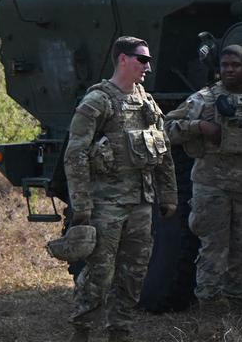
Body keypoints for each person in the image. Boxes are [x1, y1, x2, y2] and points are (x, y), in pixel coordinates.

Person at [63, 36, 177, 342]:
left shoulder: (147, 102)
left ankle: (120, 332)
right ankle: (82, 331)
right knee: (99, 273)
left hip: (141, 204)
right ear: (122, 60)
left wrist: (169, 196)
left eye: (149, 60)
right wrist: (82, 205)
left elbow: (163, 152)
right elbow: (75, 155)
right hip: (105, 206)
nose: (147, 66)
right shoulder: (98, 101)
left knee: (134, 272)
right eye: (142, 59)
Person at [164, 44, 242, 306]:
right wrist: (199, 126)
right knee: (213, 248)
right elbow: (166, 128)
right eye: (224, 65)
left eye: (236, 65)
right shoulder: (203, 99)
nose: (229, 70)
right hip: (212, 186)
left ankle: (236, 301)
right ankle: (209, 305)